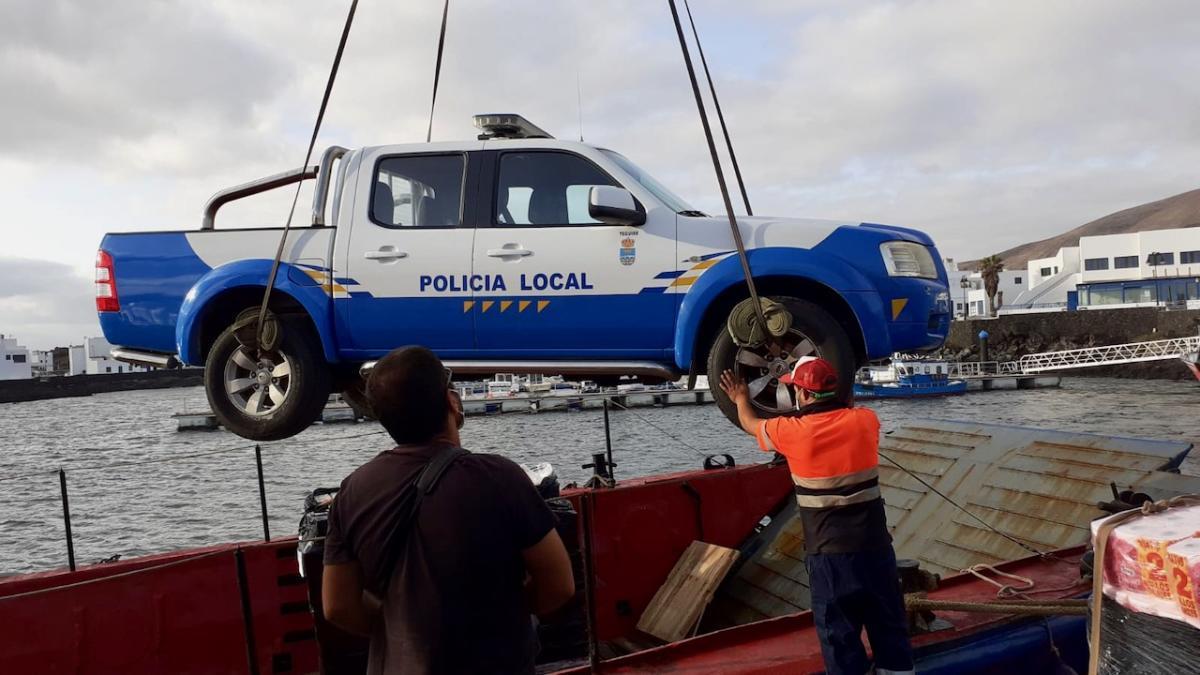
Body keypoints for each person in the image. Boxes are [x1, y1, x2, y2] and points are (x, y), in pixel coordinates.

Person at [322, 346, 575, 674]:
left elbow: (337, 606)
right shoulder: (499, 477)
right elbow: (559, 584)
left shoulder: (351, 492)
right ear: (451, 401)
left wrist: (402, 631)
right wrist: (498, 623)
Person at [719, 357, 914, 675]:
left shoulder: (790, 432)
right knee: (890, 630)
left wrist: (741, 398)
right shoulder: (866, 421)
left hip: (830, 560)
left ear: (804, 394)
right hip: (876, 551)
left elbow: (750, 423)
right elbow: (849, 409)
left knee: (840, 640)